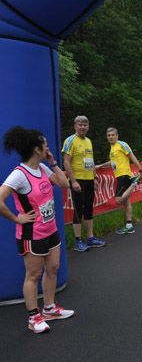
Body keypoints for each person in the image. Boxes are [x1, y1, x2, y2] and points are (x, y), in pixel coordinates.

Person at [0, 126, 72, 333]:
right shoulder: (19, 174)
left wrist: (53, 163)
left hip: (51, 229)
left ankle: (49, 308)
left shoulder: (42, 168)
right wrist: (17, 218)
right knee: (33, 275)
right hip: (32, 234)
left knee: (53, 268)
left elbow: (64, 183)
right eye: (45, 145)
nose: (48, 148)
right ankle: (33, 317)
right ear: (36, 149)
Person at [62, 115, 106, 252]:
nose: (82, 127)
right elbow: (66, 162)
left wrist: (95, 178)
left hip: (89, 179)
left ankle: (90, 238)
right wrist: (73, 181)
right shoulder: (70, 140)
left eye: (85, 125)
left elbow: (91, 161)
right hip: (78, 180)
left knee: (88, 208)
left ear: (88, 127)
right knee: (78, 210)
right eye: (80, 124)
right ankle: (78, 240)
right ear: (75, 126)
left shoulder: (88, 141)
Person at [95, 127, 142, 234]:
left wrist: (140, 170)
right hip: (120, 175)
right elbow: (113, 162)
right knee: (126, 201)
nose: (111, 137)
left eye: (113, 135)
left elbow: (132, 156)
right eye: (109, 135)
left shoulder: (122, 144)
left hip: (124, 175)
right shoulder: (112, 148)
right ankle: (129, 225)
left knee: (119, 200)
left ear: (117, 136)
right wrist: (100, 166)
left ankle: (134, 183)